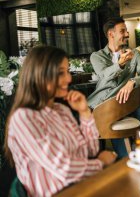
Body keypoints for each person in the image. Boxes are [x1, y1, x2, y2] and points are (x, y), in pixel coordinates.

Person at [4, 46, 117, 197]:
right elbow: (65, 169)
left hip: (82, 187)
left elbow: (89, 151)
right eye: (60, 73)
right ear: (39, 75)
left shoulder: (61, 110)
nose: (69, 79)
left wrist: (84, 113)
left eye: (68, 71)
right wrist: (101, 163)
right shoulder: (24, 118)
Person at [87, 17, 140, 158]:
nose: (127, 34)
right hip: (98, 104)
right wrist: (120, 64)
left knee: (133, 112)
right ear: (111, 34)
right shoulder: (97, 56)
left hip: (119, 105)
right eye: (123, 31)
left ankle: (133, 156)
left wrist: (132, 81)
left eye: (126, 31)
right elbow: (104, 75)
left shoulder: (135, 54)